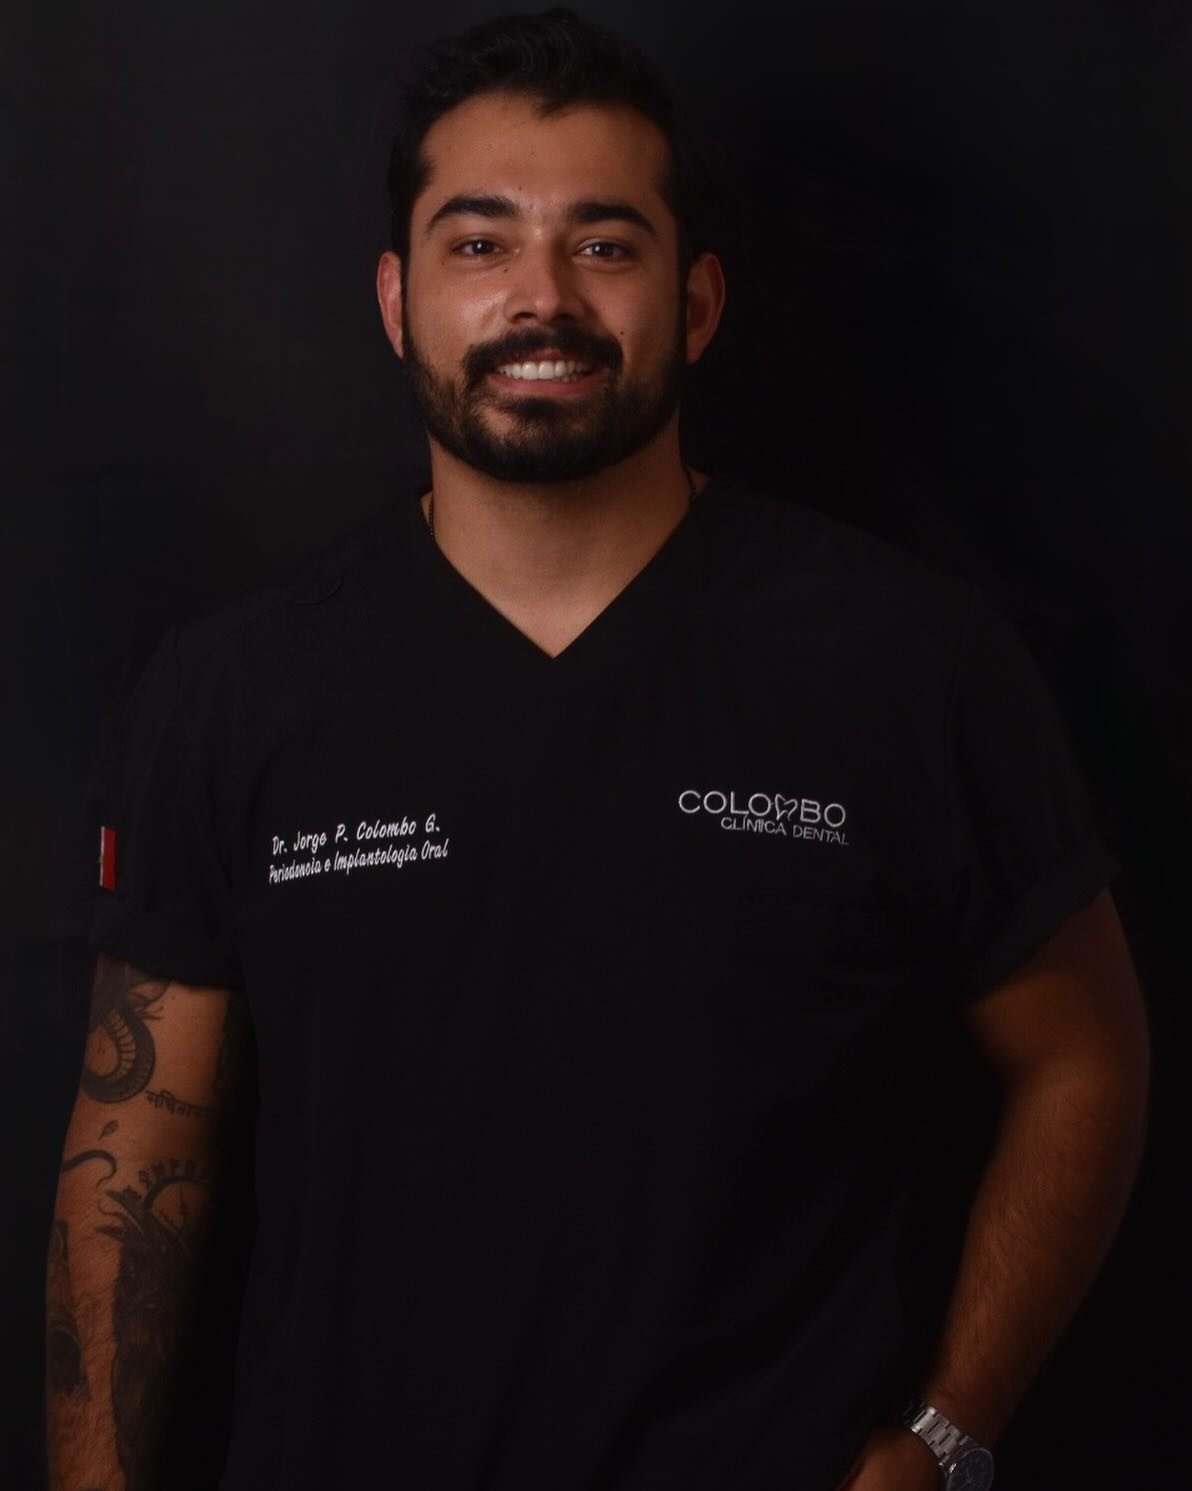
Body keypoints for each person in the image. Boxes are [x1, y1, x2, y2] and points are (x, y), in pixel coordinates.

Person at [46, 9, 1150, 1491]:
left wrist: (948, 1440)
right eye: (480, 244)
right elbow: (138, 1165)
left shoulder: (906, 663)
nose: (542, 299)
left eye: (606, 245)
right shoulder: (238, 691)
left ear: (695, 304)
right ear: (397, 298)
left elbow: (1085, 1055)